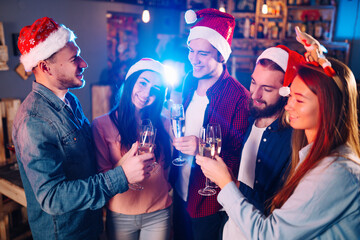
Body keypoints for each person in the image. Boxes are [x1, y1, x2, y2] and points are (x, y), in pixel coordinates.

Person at [196, 29, 360, 239]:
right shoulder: (311, 155)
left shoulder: (336, 171)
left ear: (328, 106)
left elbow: (271, 233)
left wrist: (227, 184)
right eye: (290, 96)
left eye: (298, 99)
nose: (289, 105)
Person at [12, 17, 154, 240]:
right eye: (74, 58)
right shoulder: (33, 120)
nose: (84, 63)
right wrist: (121, 176)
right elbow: (52, 198)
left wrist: (120, 164)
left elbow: (83, 162)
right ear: (45, 67)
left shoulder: (69, 101)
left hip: (89, 225)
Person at [171, 8, 250, 240]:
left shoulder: (239, 98)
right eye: (191, 50)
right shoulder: (188, 81)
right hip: (180, 189)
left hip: (208, 202)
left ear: (221, 56)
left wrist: (202, 148)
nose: (193, 59)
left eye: (202, 54)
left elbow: (240, 158)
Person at [92, 58, 172, 240]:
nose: (146, 93)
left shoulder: (165, 123)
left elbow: (168, 165)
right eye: (142, 83)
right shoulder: (101, 125)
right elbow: (103, 176)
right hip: (121, 214)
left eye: (155, 90)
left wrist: (164, 185)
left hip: (158, 212)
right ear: (130, 83)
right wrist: (127, 165)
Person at [236, 45, 306, 215]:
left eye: (267, 89)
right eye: (253, 82)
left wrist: (230, 185)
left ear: (286, 92)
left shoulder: (294, 139)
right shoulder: (246, 118)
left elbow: (281, 206)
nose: (255, 94)